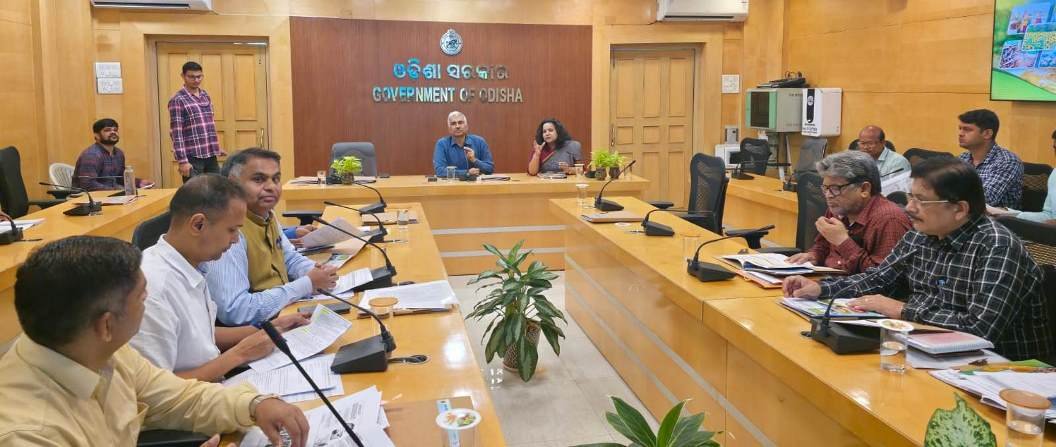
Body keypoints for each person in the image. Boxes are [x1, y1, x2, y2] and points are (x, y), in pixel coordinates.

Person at [0, 236, 309, 446]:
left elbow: (179, 398)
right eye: (141, 296)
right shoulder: (29, 434)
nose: (149, 300)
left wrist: (254, 404)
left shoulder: (99, 350)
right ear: (106, 325)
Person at [783, 157, 1051, 360]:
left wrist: (901, 310)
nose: (909, 208)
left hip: (1000, 370)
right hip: (929, 350)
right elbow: (879, 278)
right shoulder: (921, 234)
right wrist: (820, 289)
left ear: (959, 209)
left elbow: (979, 327)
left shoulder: (997, 246)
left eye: (921, 200)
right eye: (910, 196)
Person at [130, 175, 309, 381]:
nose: (236, 240)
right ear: (198, 224)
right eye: (232, 230)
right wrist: (239, 354)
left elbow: (199, 335)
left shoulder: (192, 263)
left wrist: (270, 328)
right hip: (195, 397)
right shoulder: (153, 289)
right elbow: (155, 391)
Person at [206, 148, 338, 326]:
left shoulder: (266, 214)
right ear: (233, 183)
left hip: (284, 312)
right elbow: (235, 310)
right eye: (258, 179)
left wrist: (317, 271)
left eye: (275, 179)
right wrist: (307, 284)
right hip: (258, 331)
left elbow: (289, 258)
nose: (271, 187)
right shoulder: (228, 231)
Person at [787, 151, 911, 274]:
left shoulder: (889, 220)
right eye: (825, 188)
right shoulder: (838, 209)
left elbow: (883, 277)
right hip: (828, 280)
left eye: (835, 188)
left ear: (864, 189)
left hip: (855, 286)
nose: (828, 195)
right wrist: (814, 255)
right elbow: (823, 246)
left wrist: (843, 242)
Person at [957, 109, 1023, 209]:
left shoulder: (1007, 161)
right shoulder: (962, 158)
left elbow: (986, 199)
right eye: (960, 128)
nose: (960, 133)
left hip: (995, 217)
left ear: (987, 133)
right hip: (962, 212)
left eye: (967, 129)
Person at [169, 61, 223, 183]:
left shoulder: (205, 95)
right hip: (192, 157)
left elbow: (208, 124)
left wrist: (216, 146)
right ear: (183, 76)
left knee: (216, 189)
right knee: (195, 193)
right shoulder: (177, 100)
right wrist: (182, 161)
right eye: (191, 77)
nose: (196, 80)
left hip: (210, 154)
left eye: (199, 76)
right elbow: (176, 133)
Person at [987, 129, 1056, 224]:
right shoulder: (1055, 173)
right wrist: (1009, 213)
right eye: (1055, 148)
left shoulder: (1008, 161)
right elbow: (1048, 215)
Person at [73, 118, 152, 191]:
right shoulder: (91, 155)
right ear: (96, 135)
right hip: (89, 198)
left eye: (115, 130)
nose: (113, 132)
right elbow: (88, 184)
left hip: (113, 195)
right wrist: (116, 191)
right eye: (107, 130)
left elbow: (120, 177)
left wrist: (139, 183)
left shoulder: (119, 153)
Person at [433, 111, 494, 177]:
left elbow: (490, 169)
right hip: (452, 183)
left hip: (476, 183)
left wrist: (474, 160)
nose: (457, 126)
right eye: (453, 124)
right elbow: (439, 171)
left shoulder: (479, 142)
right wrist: (467, 173)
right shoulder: (442, 144)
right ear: (449, 128)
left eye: (460, 122)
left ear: (466, 126)